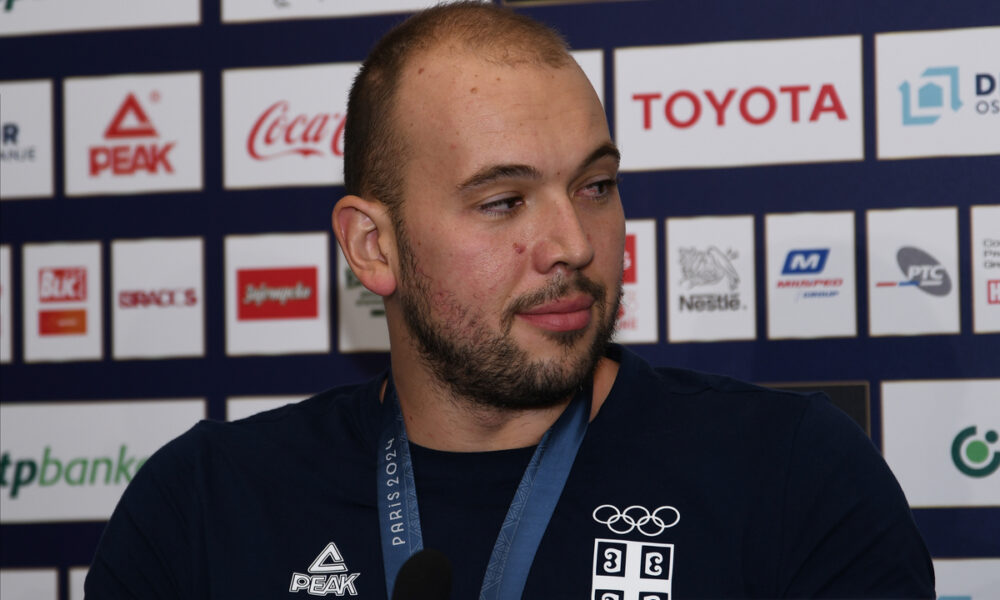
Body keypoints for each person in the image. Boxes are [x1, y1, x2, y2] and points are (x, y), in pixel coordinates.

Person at [85, 3, 935, 598]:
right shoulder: (202, 508)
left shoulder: (794, 478)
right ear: (372, 247)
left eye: (596, 185)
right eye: (503, 202)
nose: (571, 243)